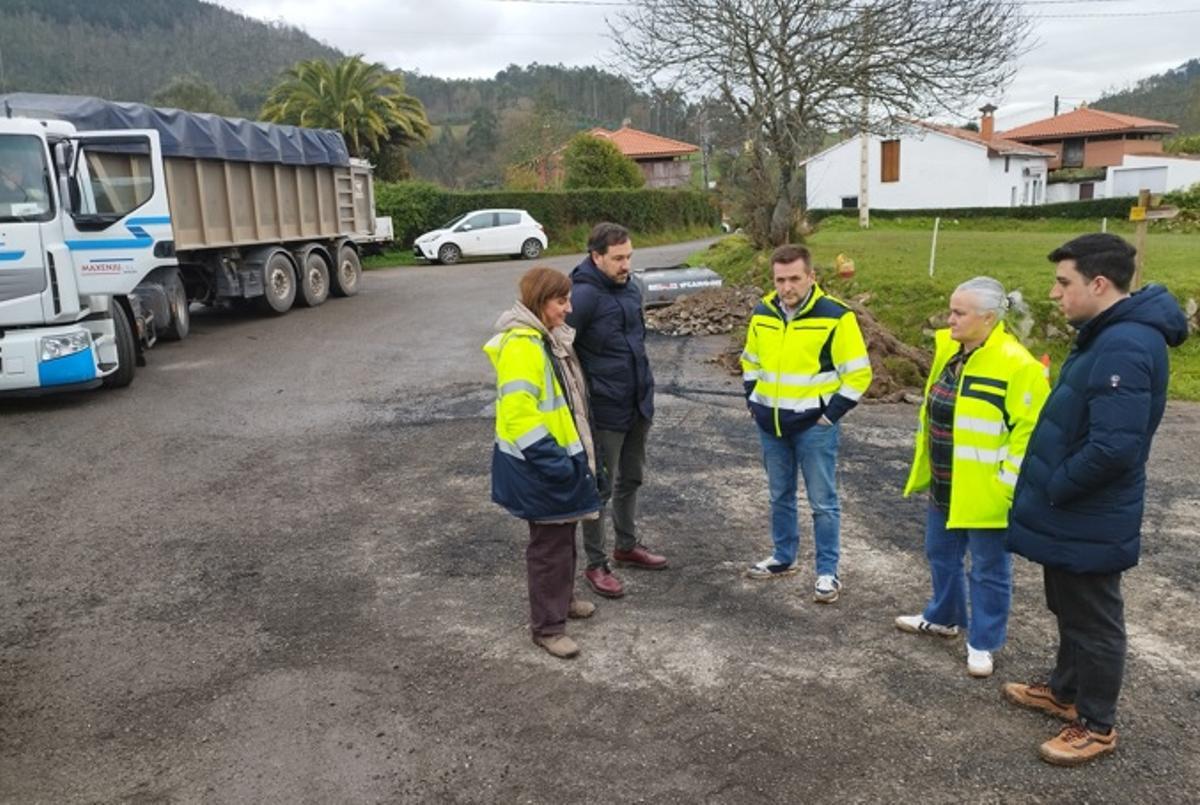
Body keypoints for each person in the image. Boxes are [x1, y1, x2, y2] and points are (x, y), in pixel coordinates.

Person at [1003, 233, 1188, 766]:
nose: (1054, 293)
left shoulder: (1127, 345)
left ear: (1099, 284)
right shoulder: (1105, 334)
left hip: (1088, 509)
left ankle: (1097, 724)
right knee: (1069, 604)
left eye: (1064, 283)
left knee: (1095, 619)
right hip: (1074, 511)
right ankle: (1064, 692)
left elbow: (1114, 449)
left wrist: (1056, 486)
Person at [897, 277, 1048, 678]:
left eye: (958, 313)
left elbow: (1029, 433)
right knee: (941, 554)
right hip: (947, 482)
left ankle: (983, 642)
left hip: (987, 490)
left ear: (988, 318)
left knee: (989, 568)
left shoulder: (1018, 365)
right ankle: (944, 617)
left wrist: (1006, 484)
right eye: (951, 310)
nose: (950, 320)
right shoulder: (949, 350)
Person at [740, 244, 872, 602]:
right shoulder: (762, 312)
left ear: (812, 277)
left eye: (795, 278)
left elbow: (859, 374)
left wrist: (830, 415)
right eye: (780, 280)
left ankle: (827, 572)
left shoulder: (835, 316)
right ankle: (784, 557)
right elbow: (750, 360)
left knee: (823, 502)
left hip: (815, 427)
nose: (787, 287)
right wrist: (753, 399)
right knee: (779, 495)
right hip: (771, 426)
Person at [484, 267, 602, 659]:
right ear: (540, 302)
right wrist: (553, 461)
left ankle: (563, 601)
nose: (569, 309)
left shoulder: (545, 340)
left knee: (563, 537)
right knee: (549, 546)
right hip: (541, 464)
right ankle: (548, 628)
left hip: (557, 459)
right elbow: (519, 415)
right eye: (561, 301)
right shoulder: (523, 346)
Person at [567, 222, 668, 600]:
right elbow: (562, 350)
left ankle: (626, 545)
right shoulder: (583, 296)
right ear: (596, 257)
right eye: (618, 258)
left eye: (629, 256)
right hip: (604, 410)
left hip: (638, 401)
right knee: (599, 488)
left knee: (633, 477)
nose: (626, 265)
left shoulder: (631, 289)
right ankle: (596, 564)